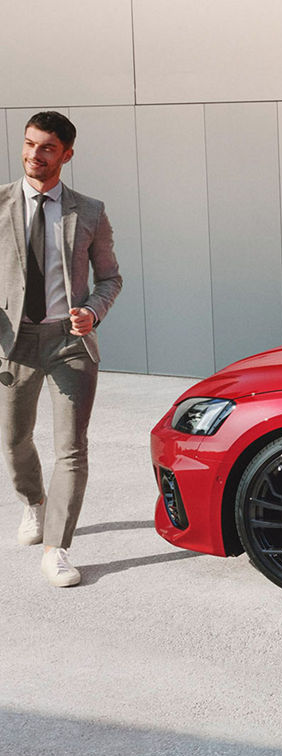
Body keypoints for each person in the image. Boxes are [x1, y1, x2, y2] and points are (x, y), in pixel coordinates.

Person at [0, 111, 122, 587]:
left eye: (47, 147)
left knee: (71, 450)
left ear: (66, 155)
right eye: (29, 144)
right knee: (13, 440)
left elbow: (110, 277)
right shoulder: (2, 203)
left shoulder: (88, 210)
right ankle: (34, 503)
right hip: (15, 344)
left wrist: (92, 311)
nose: (35, 155)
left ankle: (57, 549)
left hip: (70, 343)